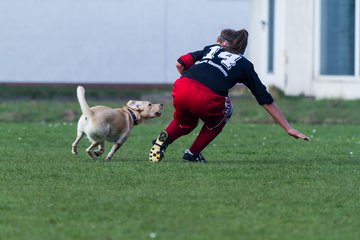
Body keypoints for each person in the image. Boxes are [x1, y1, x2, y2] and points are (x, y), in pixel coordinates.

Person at [149, 28, 309, 163]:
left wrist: (188, 84)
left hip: (182, 86)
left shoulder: (213, 48)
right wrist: (288, 128)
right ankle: (192, 154)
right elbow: (264, 98)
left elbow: (180, 63)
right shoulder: (244, 64)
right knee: (228, 109)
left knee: (185, 123)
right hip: (207, 97)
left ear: (224, 43)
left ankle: (164, 139)